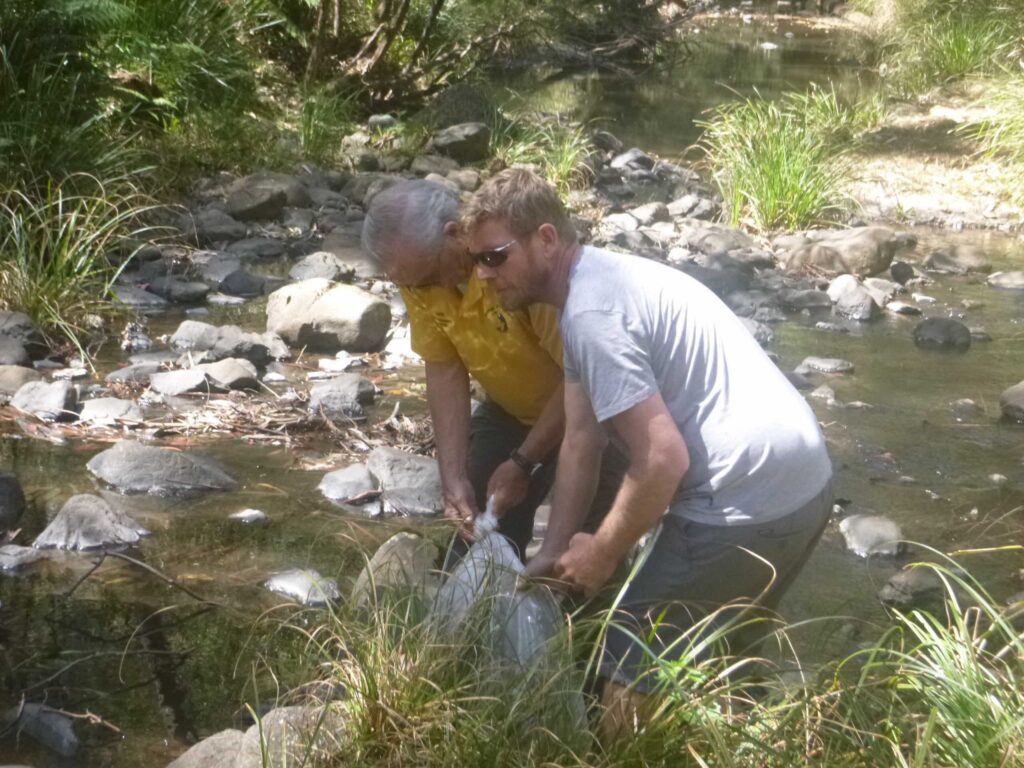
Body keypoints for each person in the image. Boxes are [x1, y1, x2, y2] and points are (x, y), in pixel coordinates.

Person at [461, 169, 833, 724]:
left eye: (494, 256)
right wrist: (555, 549)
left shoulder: (591, 315)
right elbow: (582, 441)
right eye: (477, 260)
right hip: (806, 481)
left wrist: (605, 550)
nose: (483, 274)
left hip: (743, 498)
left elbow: (662, 459)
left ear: (545, 238)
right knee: (716, 662)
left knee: (626, 664)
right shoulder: (596, 286)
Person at [362, 179, 624, 561]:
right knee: (470, 538)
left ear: (454, 236)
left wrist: (523, 461)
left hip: (589, 411)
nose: (423, 289)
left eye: (428, 276)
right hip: (509, 408)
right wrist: (453, 478)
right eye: (410, 283)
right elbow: (443, 367)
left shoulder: (515, 269)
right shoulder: (419, 274)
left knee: (578, 554)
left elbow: (581, 377)